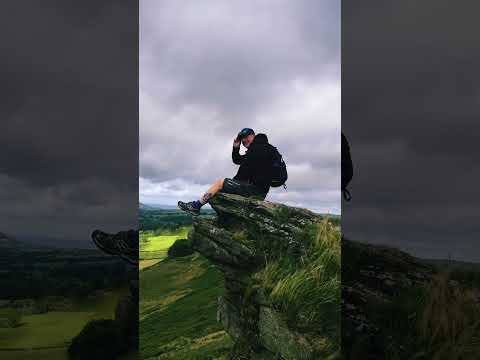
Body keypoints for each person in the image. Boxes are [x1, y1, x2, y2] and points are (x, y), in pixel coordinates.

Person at [178, 128, 276, 216]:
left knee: (220, 183)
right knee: (220, 190)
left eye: (247, 137)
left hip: (255, 190)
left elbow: (242, 173)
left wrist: (229, 183)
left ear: (253, 136)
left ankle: (196, 206)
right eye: (242, 139)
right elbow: (238, 160)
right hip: (258, 190)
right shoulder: (263, 148)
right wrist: (236, 147)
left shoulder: (256, 150)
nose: (244, 140)